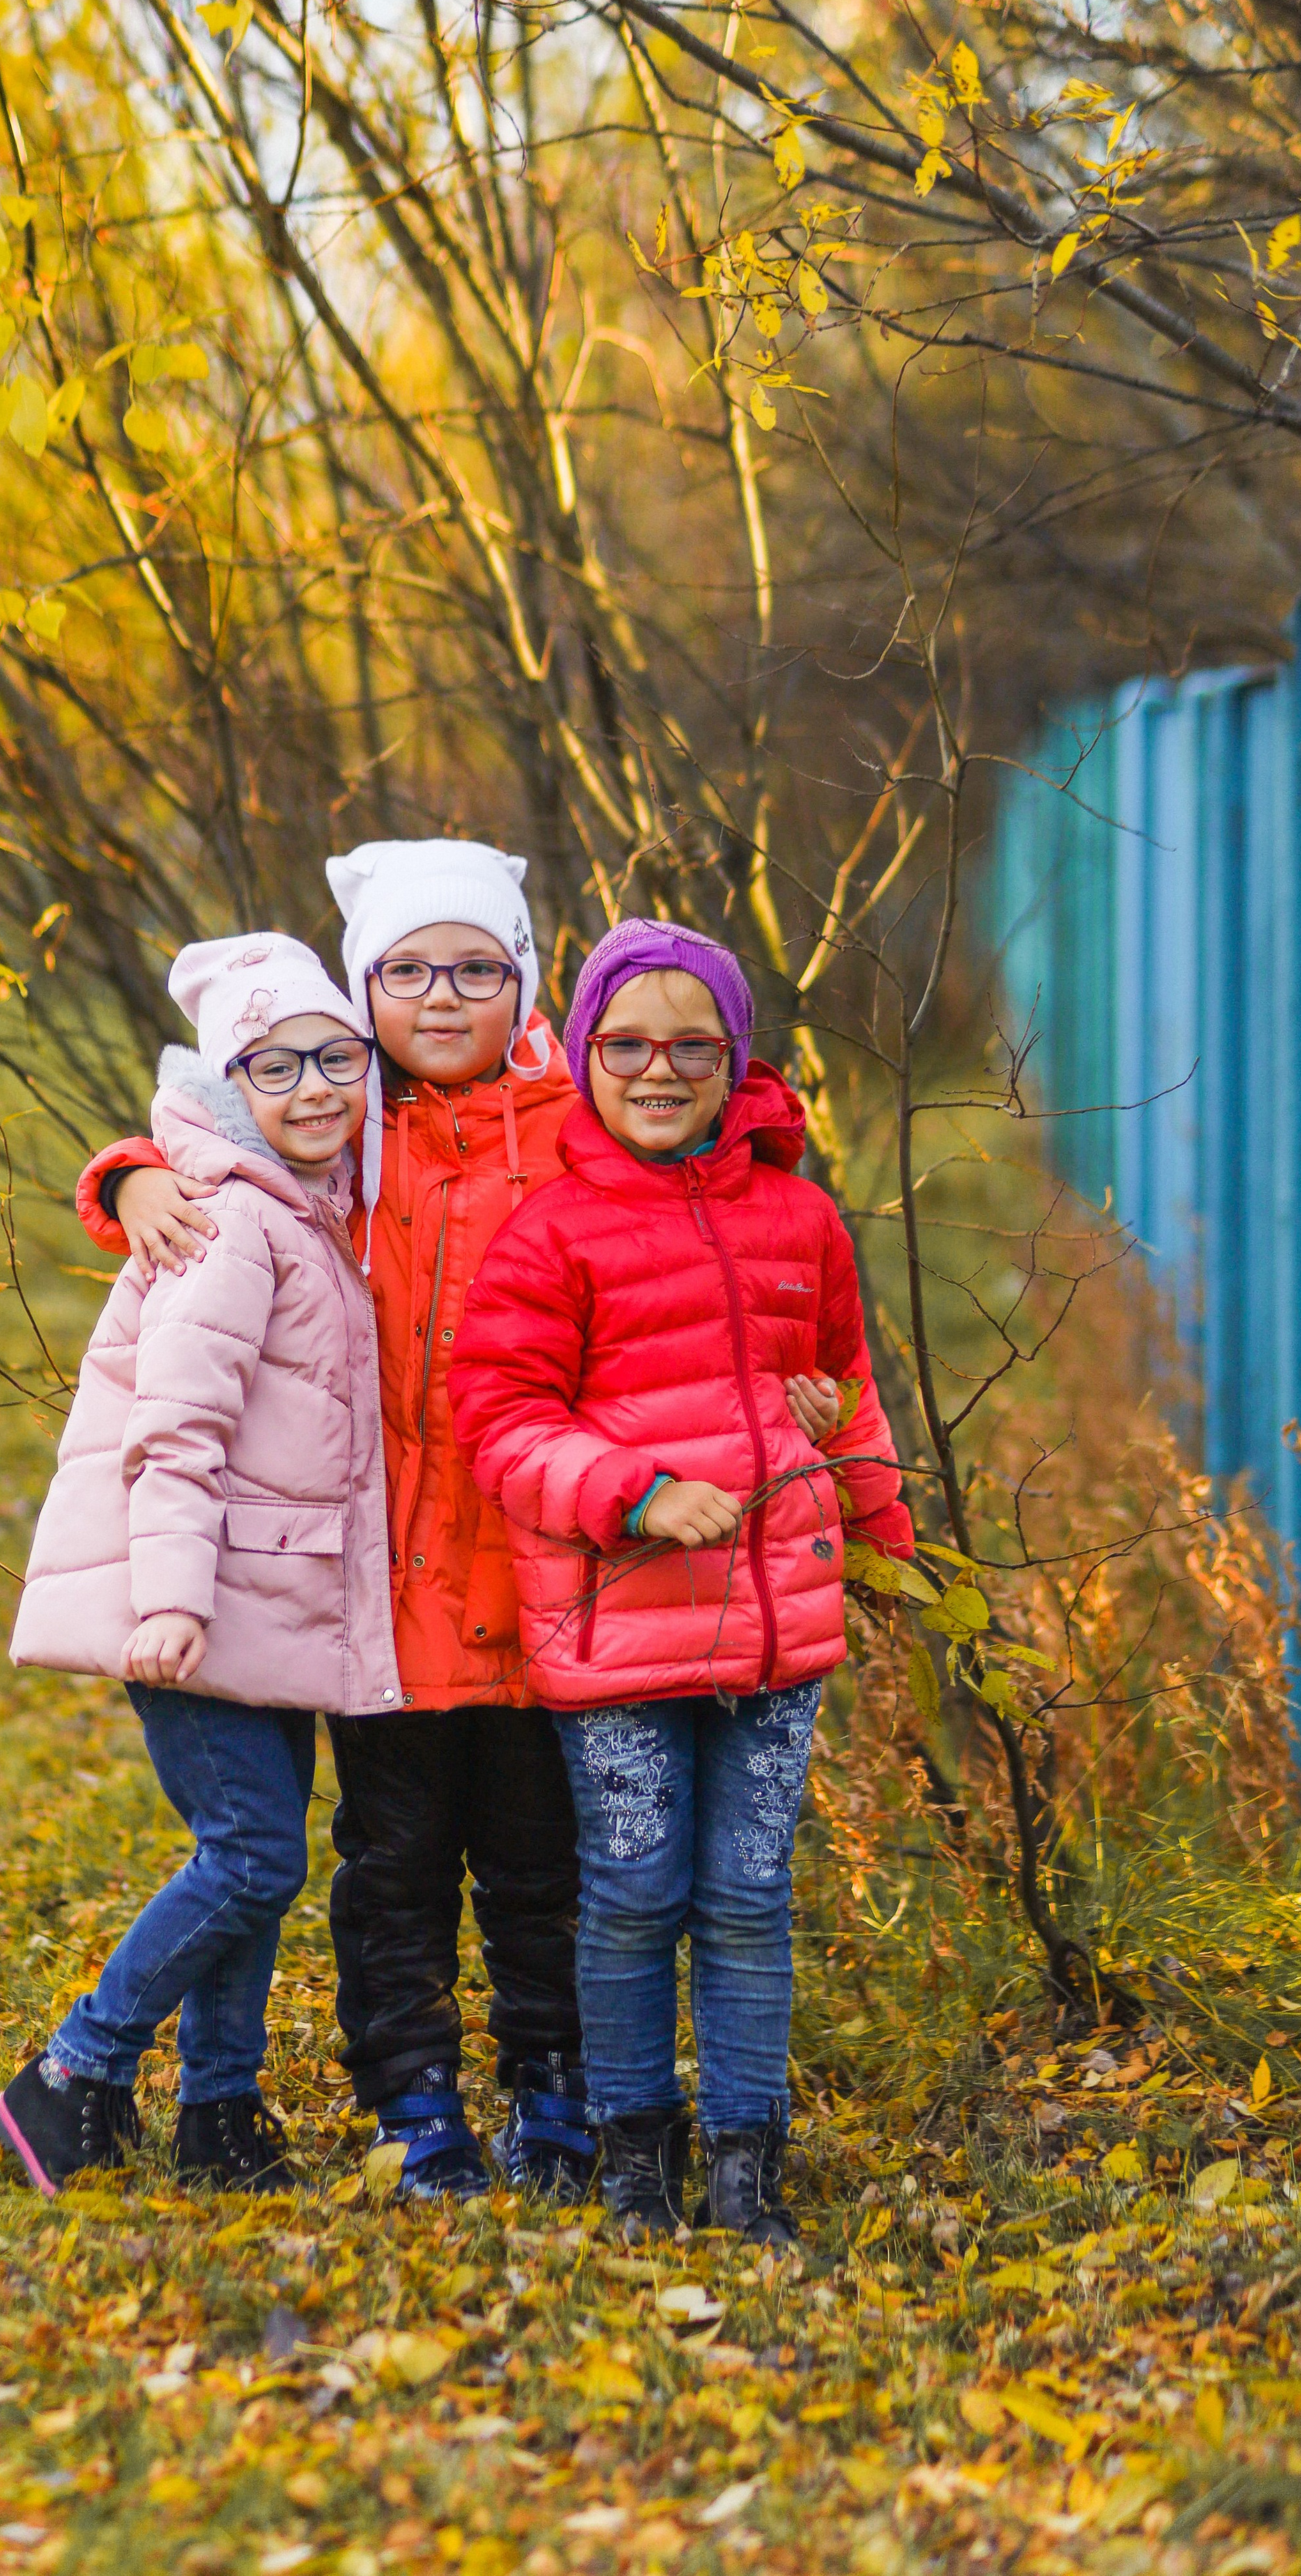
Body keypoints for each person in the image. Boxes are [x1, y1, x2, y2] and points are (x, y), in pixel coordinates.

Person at [72, 844, 590, 2199]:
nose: (438, 996)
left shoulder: (560, 1123)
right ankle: (399, 2102)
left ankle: (547, 2096)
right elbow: (224, 1146)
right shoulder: (359, 1131)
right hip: (381, 1589)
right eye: (407, 972)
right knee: (379, 1857)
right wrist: (127, 1175)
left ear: (522, 980)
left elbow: (686, 1133)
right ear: (370, 993)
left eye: (475, 967)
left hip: (533, 1563)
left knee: (535, 1863)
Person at [447, 919, 914, 2244]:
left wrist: (885, 1544)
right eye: (628, 1046)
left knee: (750, 1898)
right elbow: (502, 1422)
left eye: (692, 1047)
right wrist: (635, 1492)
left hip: (777, 1628)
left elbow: (847, 1397)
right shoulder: (553, 1231)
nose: (660, 1071)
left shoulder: (800, 1217)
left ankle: (746, 2162)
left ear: (734, 1059)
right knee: (638, 1889)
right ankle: (637, 2154)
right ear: (586, 1052)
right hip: (618, 1622)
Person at [0, 933, 400, 2198]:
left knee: (256, 1861)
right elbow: (177, 1427)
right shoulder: (227, 1223)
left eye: (339, 1058)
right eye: (278, 1068)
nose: (317, 1088)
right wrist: (169, 1596)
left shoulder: (309, 1210)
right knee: (255, 1855)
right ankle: (71, 2072)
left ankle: (221, 2115)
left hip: (259, 1599)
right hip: (198, 1601)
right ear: (231, 1089)